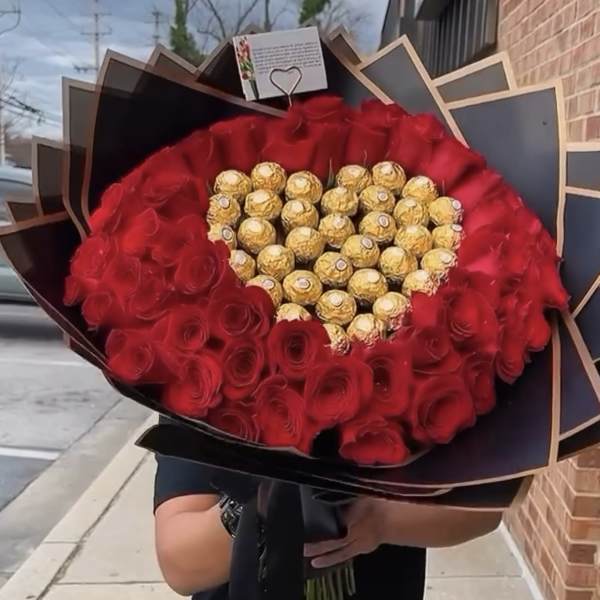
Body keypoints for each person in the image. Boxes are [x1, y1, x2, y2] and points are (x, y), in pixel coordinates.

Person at [154, 448, 501, 600]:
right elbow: (179, 562)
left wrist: (379, 517)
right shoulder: (207, 362)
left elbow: (484, 508)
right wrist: (258, 508)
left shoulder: (404, 354)